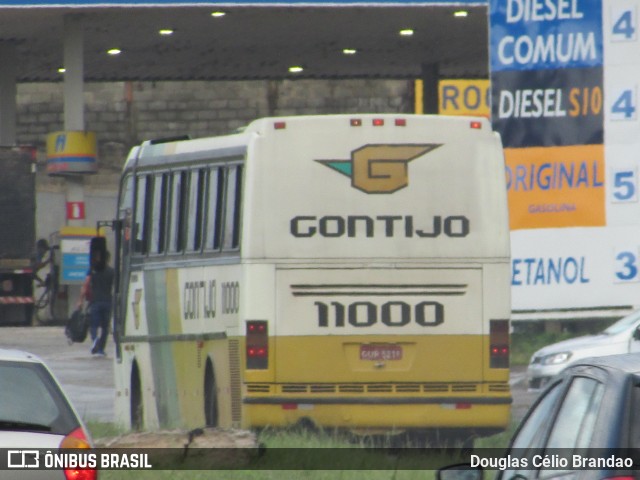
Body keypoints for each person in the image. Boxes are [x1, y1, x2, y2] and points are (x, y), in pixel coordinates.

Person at [85, 251, 114, 357]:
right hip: (107, 302)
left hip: (95, 302)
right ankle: (101, 349)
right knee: (105, 327)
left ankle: (95, 340)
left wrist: (81, 299)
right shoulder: (112, 271)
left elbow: (86, 285)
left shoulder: (92, 271)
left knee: (93, 326)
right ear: (108, 259)